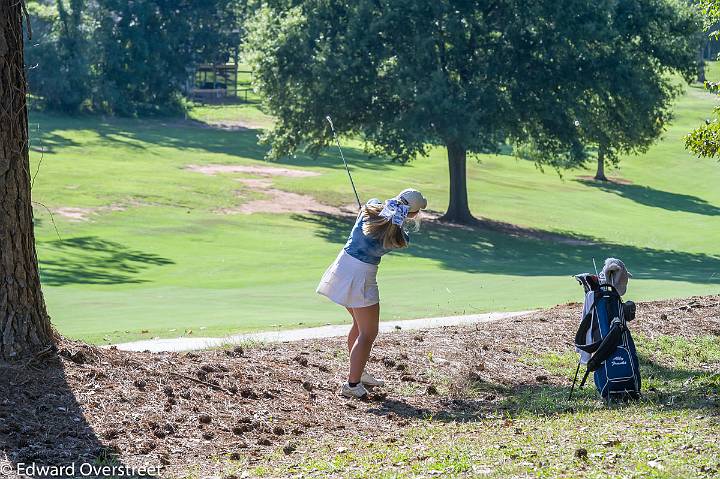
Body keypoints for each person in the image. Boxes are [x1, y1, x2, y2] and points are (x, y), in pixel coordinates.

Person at [316, 189, 428, 399]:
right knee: (368, 333)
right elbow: (399, 235)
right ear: (412, 214)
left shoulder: (370, 207)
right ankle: (352, 384)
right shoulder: (399, 235)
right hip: (361, 275)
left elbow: (374, 207)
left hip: (342, 265)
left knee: (359, 327)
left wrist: (367, 211)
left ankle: (358, 372)